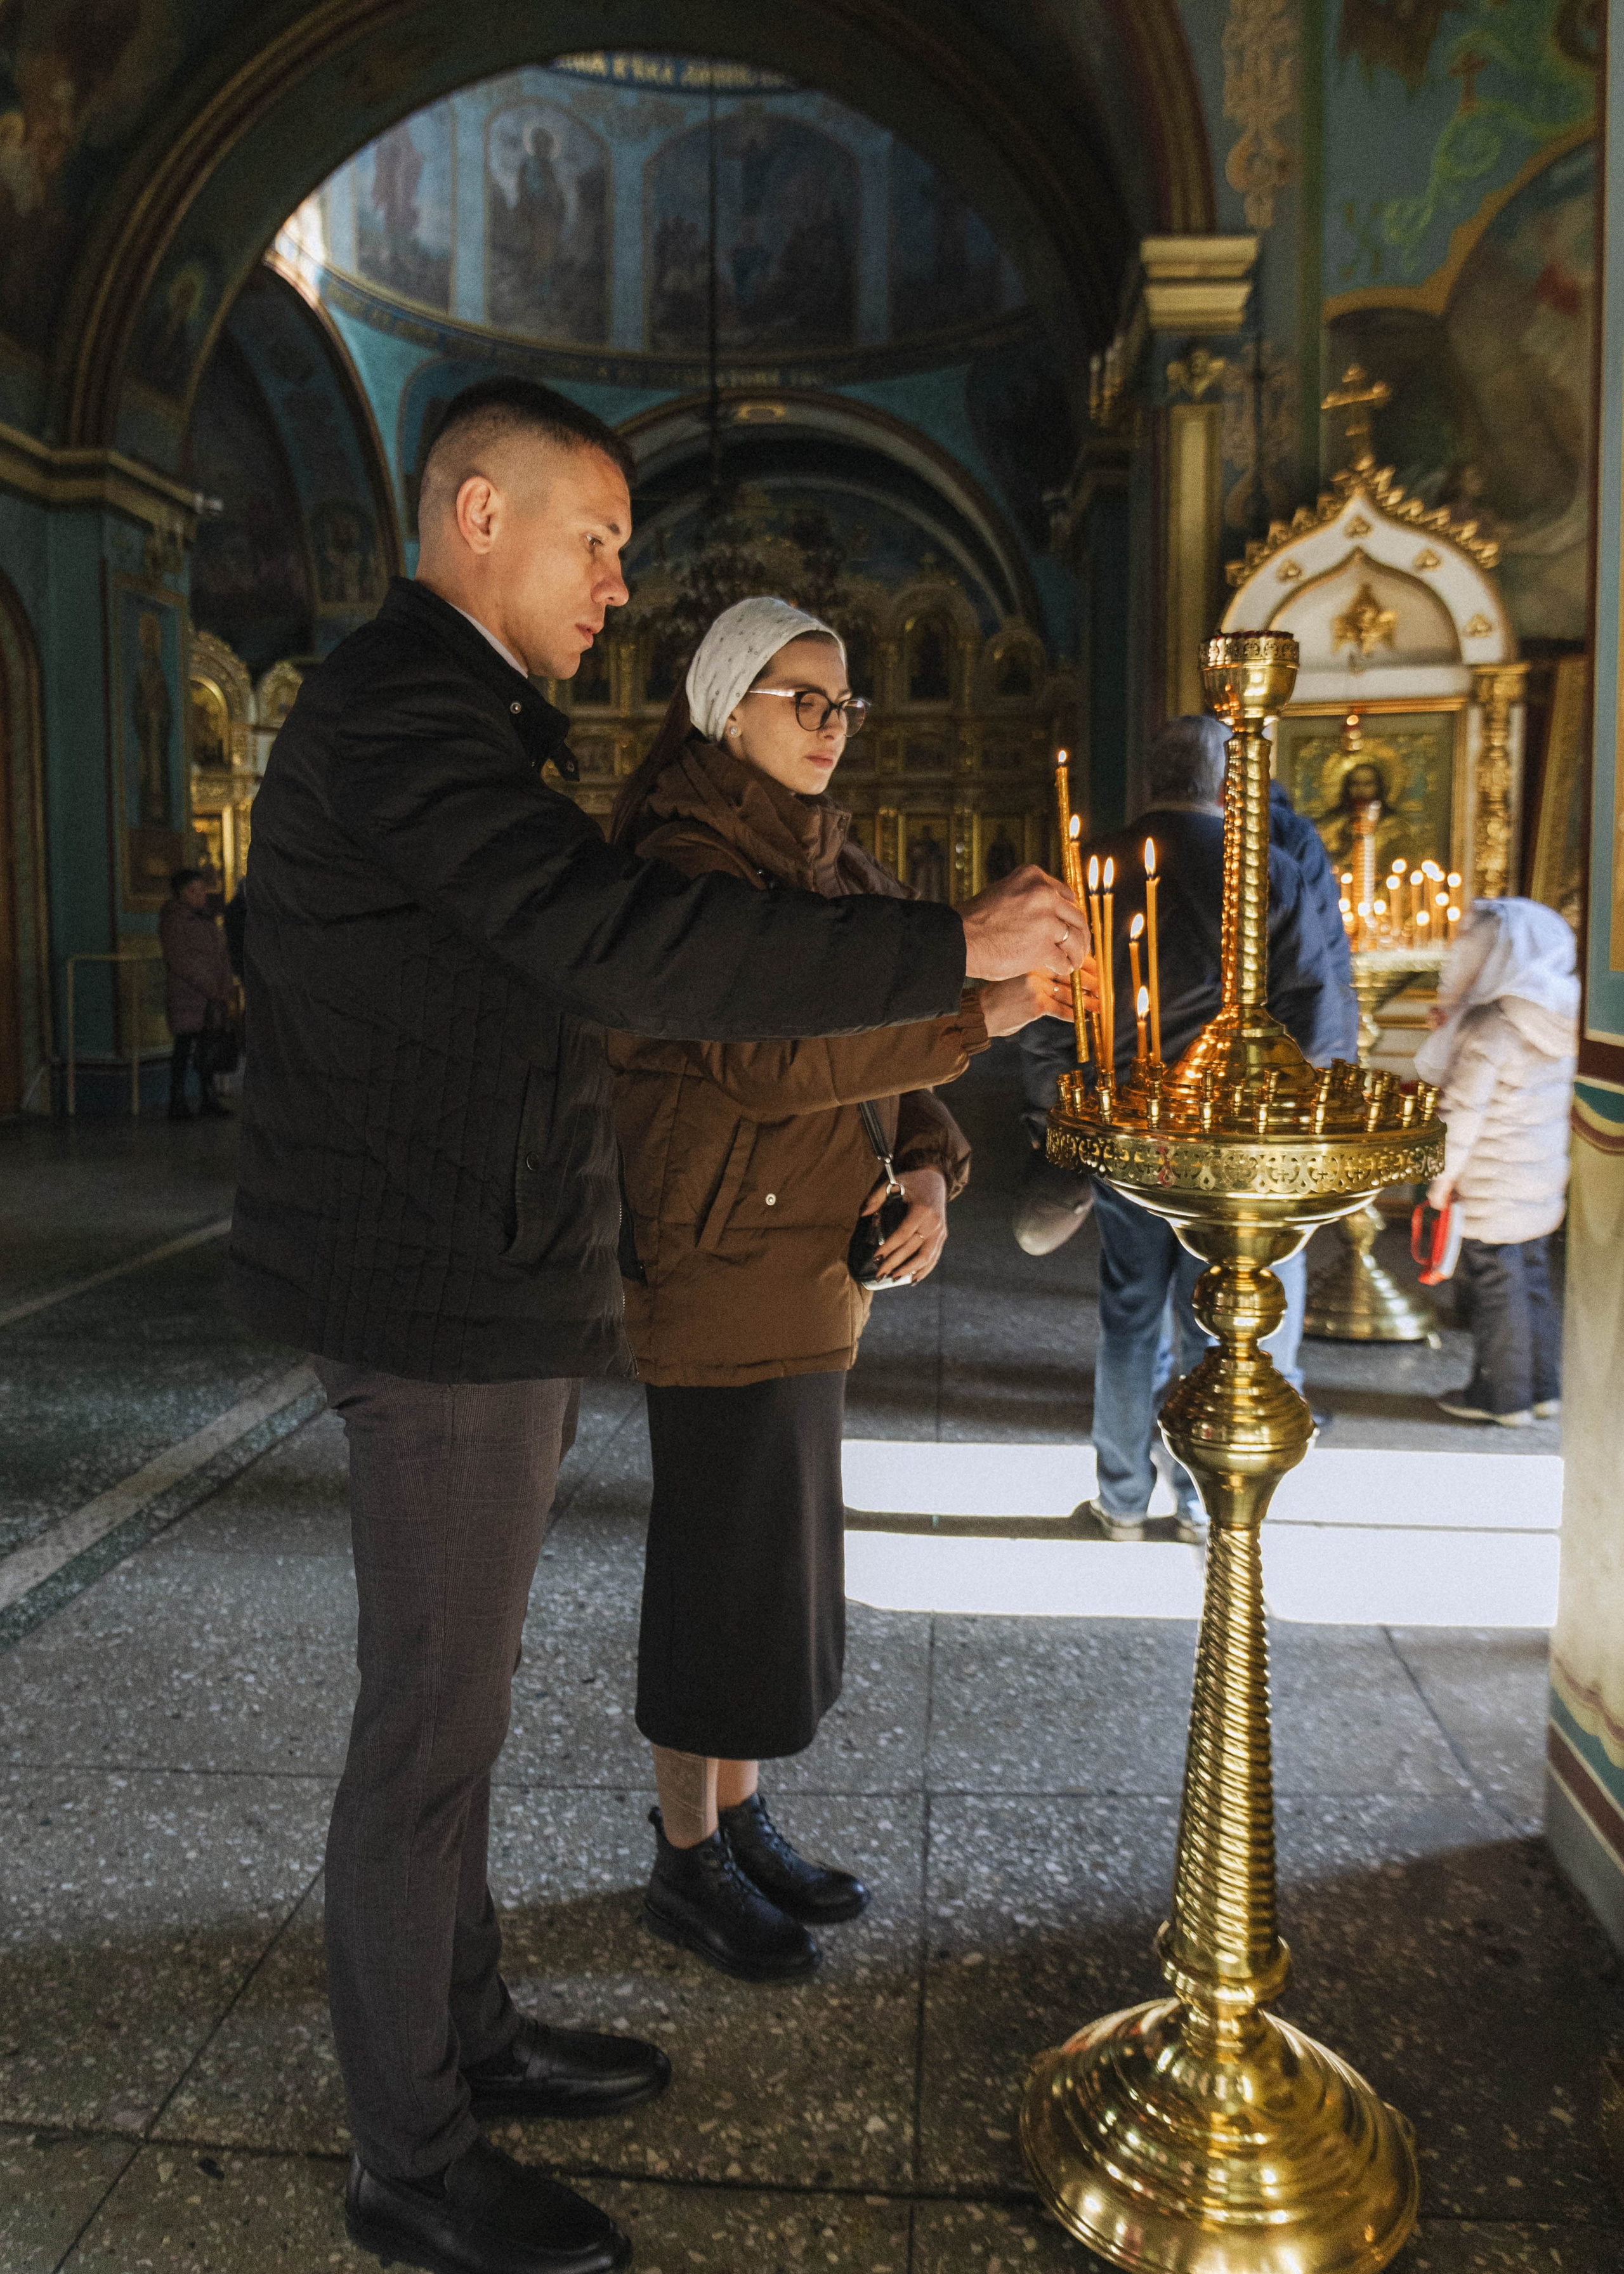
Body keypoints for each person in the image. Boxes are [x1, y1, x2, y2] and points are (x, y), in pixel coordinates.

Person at [226, 375, 1089, 2274]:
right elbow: (634, 954)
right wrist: (950, 951)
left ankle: (468, 2037)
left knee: (456, 1716)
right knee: (423, 1742)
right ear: (475, 520)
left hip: (483, 1272)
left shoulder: (451, 721)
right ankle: (415, 2165)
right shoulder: (401, 721)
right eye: (595, 538)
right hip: (438, 1290)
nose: (620, 578)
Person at [606, 598, 1077, 1983]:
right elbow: (767, 1058)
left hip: (812, 1262)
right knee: (717, 1574)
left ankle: (741, 1824)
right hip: (715, 1265)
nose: (827, 725)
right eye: (798, 697)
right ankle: (681, 1861)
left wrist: (930, 1168)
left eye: (842, 703)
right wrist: (987, 1003)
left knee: (774, 1576)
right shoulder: (684, 859)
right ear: (724, 705)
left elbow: (885, 1053)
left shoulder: (828, 854)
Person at [1024, 714, 1349, 1538]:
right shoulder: (1267, 871)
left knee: (1133, 1310)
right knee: (1238, 1311)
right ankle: (1212, 1500)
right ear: (1228, 787)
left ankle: (1124, 1497)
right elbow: (1317, 1021)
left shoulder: (1096, 867)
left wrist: (1063, 1124)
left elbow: (1047, 1017)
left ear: (1149, 783)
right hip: (1240, 1145)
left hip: (1130, 1134)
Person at [1416, 898, 1578, 1426]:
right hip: (1538, 1176)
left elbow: (1463, 1112)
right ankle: (1542, 1388)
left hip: (1491, 1181)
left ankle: (1502, 1397)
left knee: (1494, 1289)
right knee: (1530, 1281)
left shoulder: (1491, 1025)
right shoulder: (1557, 1014)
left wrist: (1441, 1181)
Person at [159, 867, 232, 1121]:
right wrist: (210, 986)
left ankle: (208, 1098)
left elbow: (220, 955)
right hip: (187, 996)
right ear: (180, 894)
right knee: (184, 1046)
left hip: (210, 997)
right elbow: (181, 960)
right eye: (193, 891)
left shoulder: (207, 919)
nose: (200, 896)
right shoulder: (174, 920)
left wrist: (224, 985)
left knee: (207, 1046)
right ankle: (177, 1100)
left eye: (202, 890)